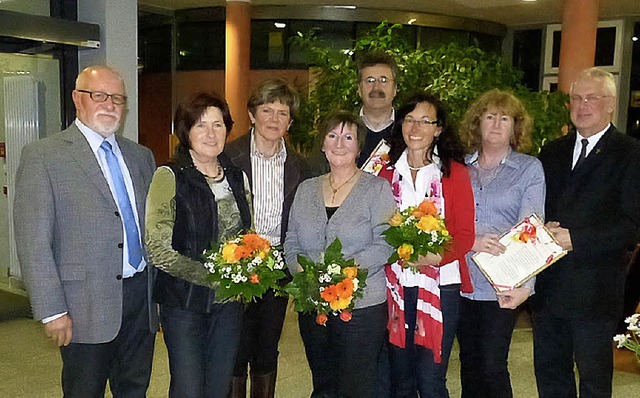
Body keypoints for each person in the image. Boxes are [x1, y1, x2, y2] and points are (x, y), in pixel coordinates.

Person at [13, 65, 158, 397]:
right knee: (84, 391)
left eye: (118, 98)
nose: (110, 105)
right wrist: (52, 310)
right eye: (99, 96)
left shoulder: (141, 157)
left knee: (135, 388)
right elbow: (33, 241)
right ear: (78, 99)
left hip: (140, 300)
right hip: (82, 305)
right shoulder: (44, 156)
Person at [531, 67, 640, 397]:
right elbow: (536, 206)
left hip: (596, 291)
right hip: (549, 288)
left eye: (591, 97)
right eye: (576, 98)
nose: (582, 105)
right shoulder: (552, 151)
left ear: (610, 103)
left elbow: (632, 225)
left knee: (594, 381)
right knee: (550, 376)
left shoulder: (631, 153)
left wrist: (575, 239)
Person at [145, 92, 252, 398]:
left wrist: (251, 268)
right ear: (186, 131)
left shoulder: (236, 176)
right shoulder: (169, 176)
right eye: (201, 125)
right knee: (189, 389)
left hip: (229, 305)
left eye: (218, 125)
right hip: (184, 304)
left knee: (218, 387)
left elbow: (248, 236)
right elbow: (157, 248)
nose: (210, 133)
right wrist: (213, 276)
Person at [284, 110, 396, 398]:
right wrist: (304, 273)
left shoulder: (377, 188)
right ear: (322, 143)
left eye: (348, 137)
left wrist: (341, 272)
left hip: (361, 307)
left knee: (356, 387)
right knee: (323, 383)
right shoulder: (306, 189)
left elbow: (385, 244)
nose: (339, 143)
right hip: (313, 304)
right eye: (332, 136)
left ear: (359, 147)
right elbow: (292, 240)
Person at [378, 92, 475, 398]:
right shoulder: (385, 172)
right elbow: (376, 228)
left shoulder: (453, 172)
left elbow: (464, 234)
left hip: (441, 285)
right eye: (409, 119)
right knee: (401, 378)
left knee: (431, 380)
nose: (415, 128)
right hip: (395, 286)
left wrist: (436, 256)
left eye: (425, 121)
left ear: (439, 128)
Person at [457, 89, 545, 398]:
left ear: (515, 127)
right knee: (469, 363)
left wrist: (526, 287)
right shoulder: (457, 168)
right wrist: (472, 242)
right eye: (489, 116)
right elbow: (444, 222)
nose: (495, 124)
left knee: (493, 365)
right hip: (461, 280)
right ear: (477, 122)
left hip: (503, 285)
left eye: (504, 118)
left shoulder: (529, 169)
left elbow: (531, 230)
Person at [225, 78, 308, 397]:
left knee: (266, 347)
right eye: (267, 110)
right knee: (234, 347)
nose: (274, 119)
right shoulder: (228, 157)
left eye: (282, 112)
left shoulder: (301, 166)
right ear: (251, 114)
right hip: (234, 263)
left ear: (290, 120)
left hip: (278, 267)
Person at [356, 50, 399, 167]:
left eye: (383, 80)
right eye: (370, 80)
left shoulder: (409, 131)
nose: (376, 87)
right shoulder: (340, 130)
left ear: (395, 89)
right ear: (359, 89)